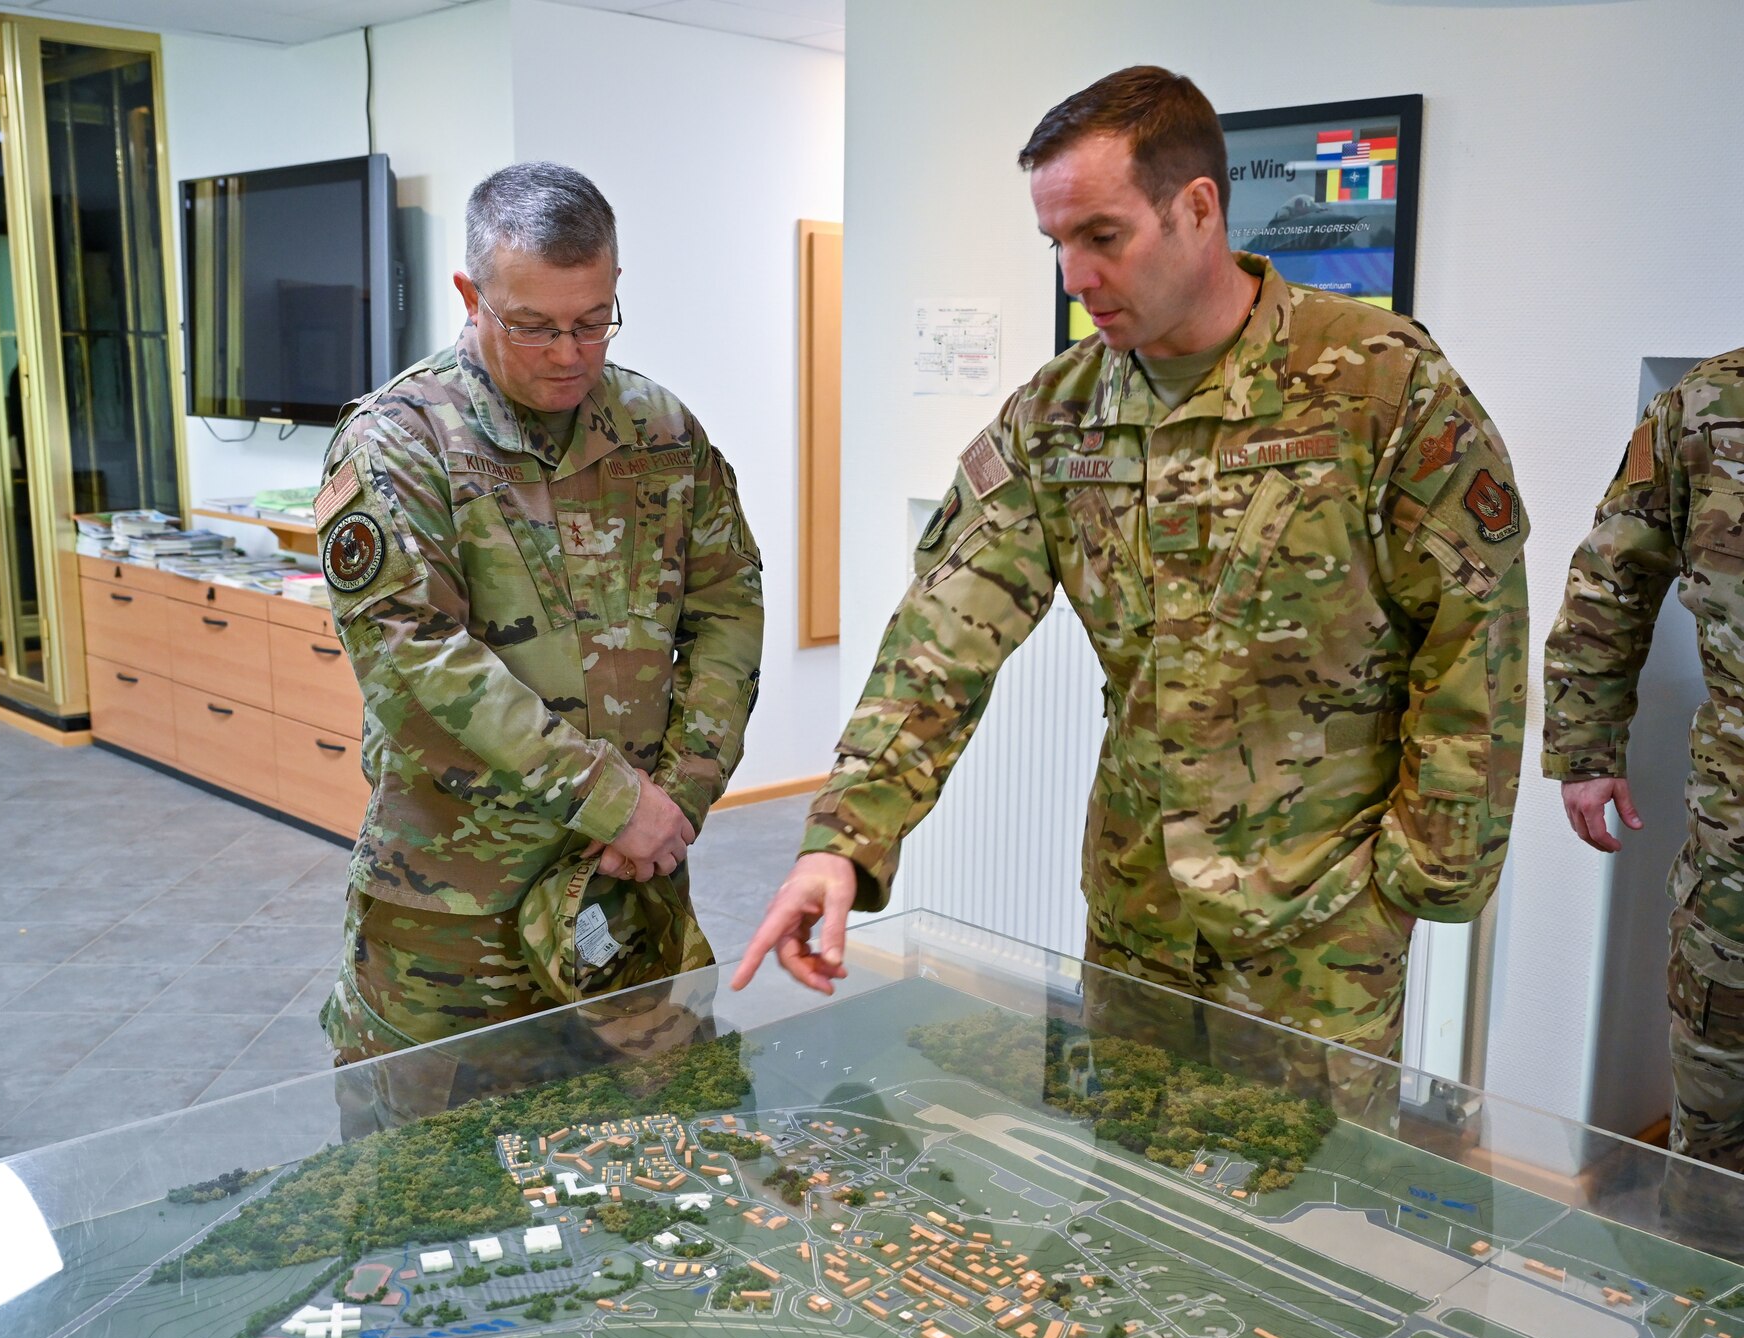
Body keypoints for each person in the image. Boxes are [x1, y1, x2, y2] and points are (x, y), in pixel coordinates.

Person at [734, 67, 1530, 1114]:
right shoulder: (1056, 419)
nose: (1074, 275)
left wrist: (1414, 879)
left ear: (1195, 208)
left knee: (1307, 1223)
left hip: (1319, 912)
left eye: (1100, 236)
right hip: (1136, 903)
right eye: (1055, 244)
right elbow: (941, 635)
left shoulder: (1374, 383)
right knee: (1131, 1197)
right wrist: (844, 837)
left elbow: (1474, 631)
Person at [314, 162, 764, 1121]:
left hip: (626, 894)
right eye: (534, 325)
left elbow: (729, 603)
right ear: (471, 297)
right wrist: (612, 799)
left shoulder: (661, 432)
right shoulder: (400, 442)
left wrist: (677, 793)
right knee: (432, 1205)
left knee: (655, 1176)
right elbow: (415, 657)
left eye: (593, 319)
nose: (570, 352)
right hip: (453, 921)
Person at [1541, 349, 1744, 1195]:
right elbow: (1611, 570)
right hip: (1736, 850)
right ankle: (1701, 1313)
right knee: (1717, 1100)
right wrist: (1584, 747)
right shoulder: (1707, 401)